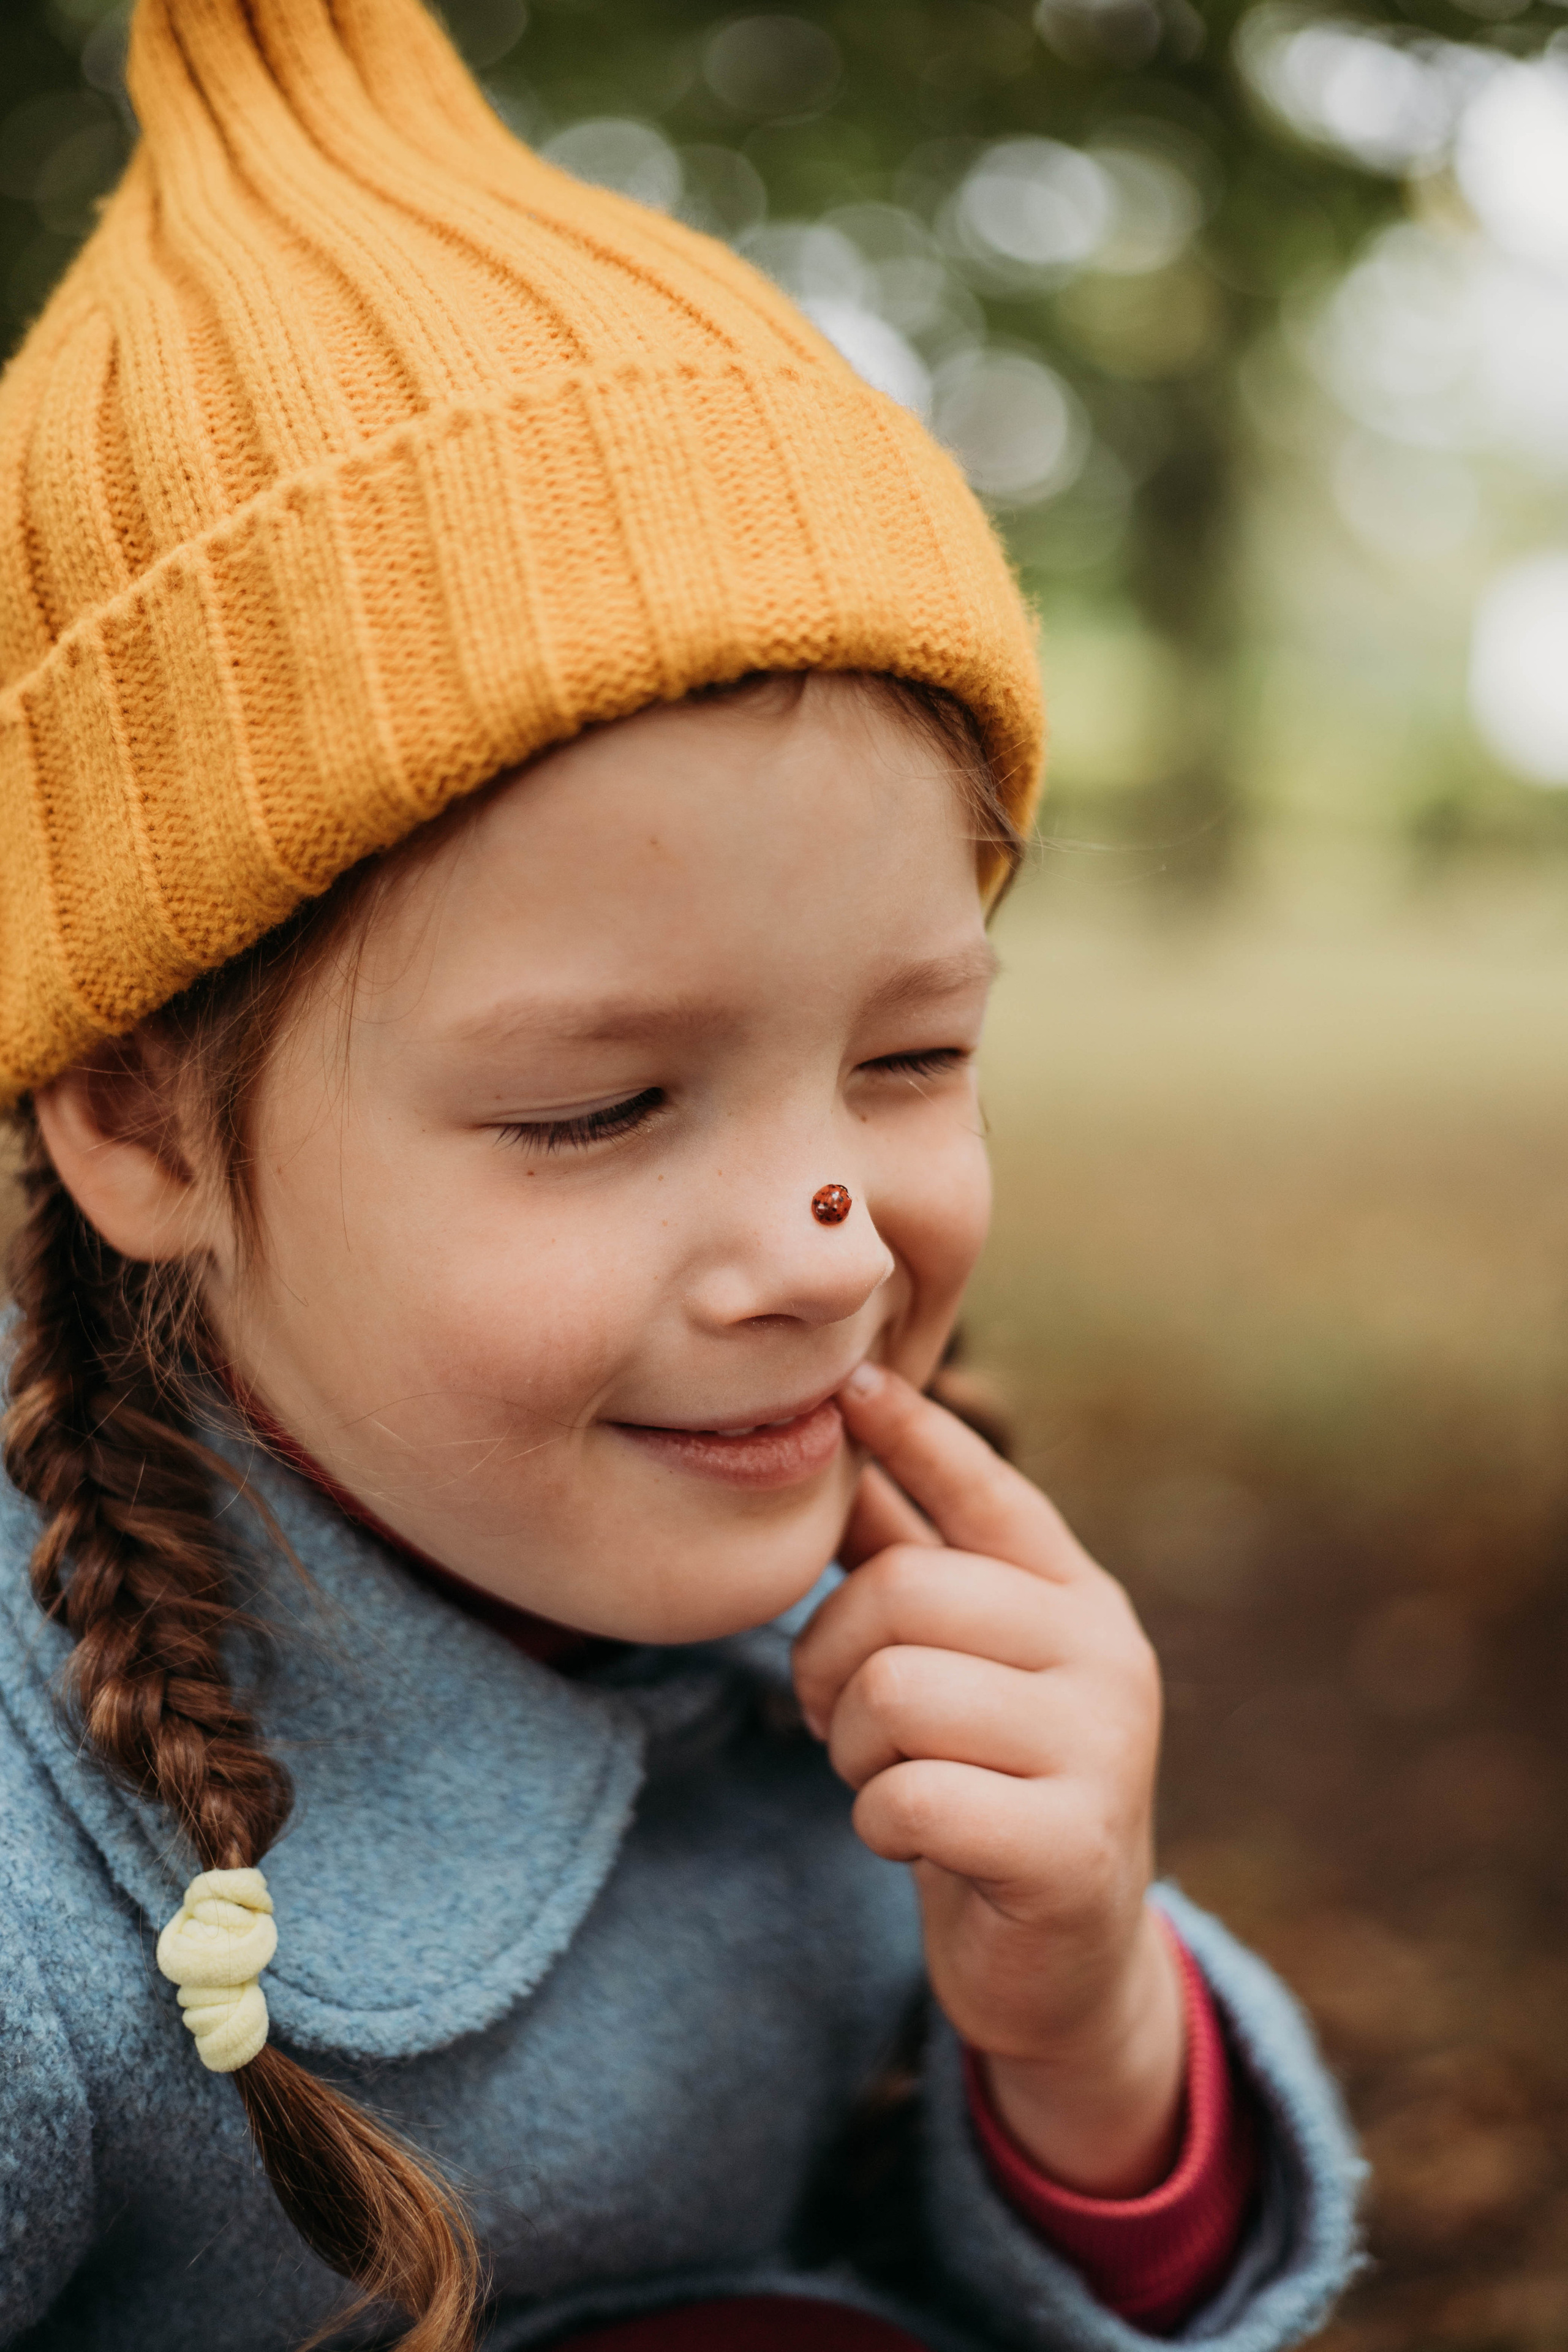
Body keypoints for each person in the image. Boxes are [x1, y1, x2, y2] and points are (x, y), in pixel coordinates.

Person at [0, 2, 1362, 2346]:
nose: (825, 1247)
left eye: (912, 1055)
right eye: (602, 1108)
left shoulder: (837, 1595)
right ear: (134, 1121)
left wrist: (1090, 2037)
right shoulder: (41, 1920)